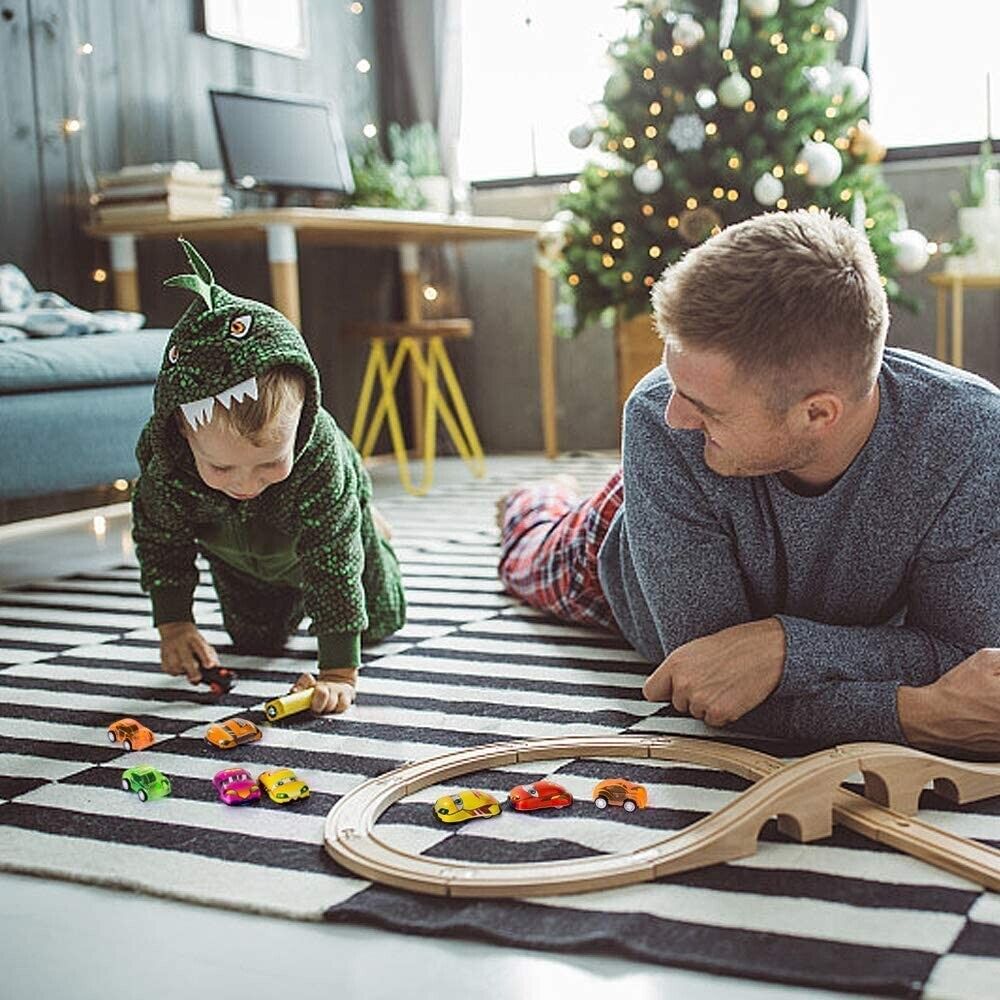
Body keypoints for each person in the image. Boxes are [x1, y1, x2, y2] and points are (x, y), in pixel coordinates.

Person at [499, 210, 1000, 753]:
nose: (676, 414)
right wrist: (914, 712)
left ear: (817, 414)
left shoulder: (971, 437)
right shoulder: (663, 425)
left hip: (743, 514)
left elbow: (969, 655)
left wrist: (783, 648)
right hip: (624, 535)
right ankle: (532, 499)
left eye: (705, 405)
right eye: (675, 383)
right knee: (529, 548)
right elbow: (709, 682)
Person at [132, 239, 405, 714]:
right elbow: (161, 542)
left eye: (268, 462)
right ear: (182, 435)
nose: (245, 483)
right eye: (221, 467)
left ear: (301, 424)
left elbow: (333, 559)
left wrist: (338, 670)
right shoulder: (166, 470)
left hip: (321, 533)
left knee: (379, 620)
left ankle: (367, 521)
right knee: (257, 640)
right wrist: (174, 623)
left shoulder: (319, 457)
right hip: (239, 556)